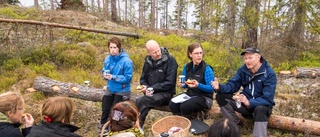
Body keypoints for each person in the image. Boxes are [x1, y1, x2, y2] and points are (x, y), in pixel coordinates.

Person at [211, 47, 276, 137]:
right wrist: (219, 87)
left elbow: (268, 99)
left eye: (250, 58)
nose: (247, 61)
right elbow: (233, 85)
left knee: (260, 108)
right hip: (244, 104)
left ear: (258, 57)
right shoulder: (243, 70)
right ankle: (234, 127)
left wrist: (249, 102)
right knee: (221, 96)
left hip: (261, 108)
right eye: (245, 58)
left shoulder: (269, 73)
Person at [136, 40, 178, 127]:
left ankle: (135, 126)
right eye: (154, 52)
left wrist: (152, 88)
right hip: (151, 93)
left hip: (166, 94)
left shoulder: (170, 60)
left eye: (158, 50)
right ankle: (138, 127)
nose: (158, 53)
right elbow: (143, 79)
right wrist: (146, 88)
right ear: (148, 53)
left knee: (141, 101)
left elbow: (170, 83)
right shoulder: (148, 61)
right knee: (144, 105)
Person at [169, 42, 214, 119]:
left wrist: (198, 85)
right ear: (190, 54)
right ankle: (180, 121)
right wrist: (183, 84)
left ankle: (188, 123)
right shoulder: (187, 67)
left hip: (205, 98)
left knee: (185, 106)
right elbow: (185, 84)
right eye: (196, 53)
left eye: (201, 53)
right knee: (172, 103)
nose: (199, 55)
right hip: (191, 94)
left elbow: (211, 88)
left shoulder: (207, 69)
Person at [100, 37, 134, 130]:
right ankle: (102, 129)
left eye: (115, 47)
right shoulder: (107, 59)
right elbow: (104, 70)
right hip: (110, 87)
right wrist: (104, 74)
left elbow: (128, 78)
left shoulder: (126, 61)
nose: (113, 50)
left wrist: (113, 77)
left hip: (122, 90)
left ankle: (113, 130)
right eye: (110, 47)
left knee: (116, 113)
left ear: (119, 48)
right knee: (105, 110)